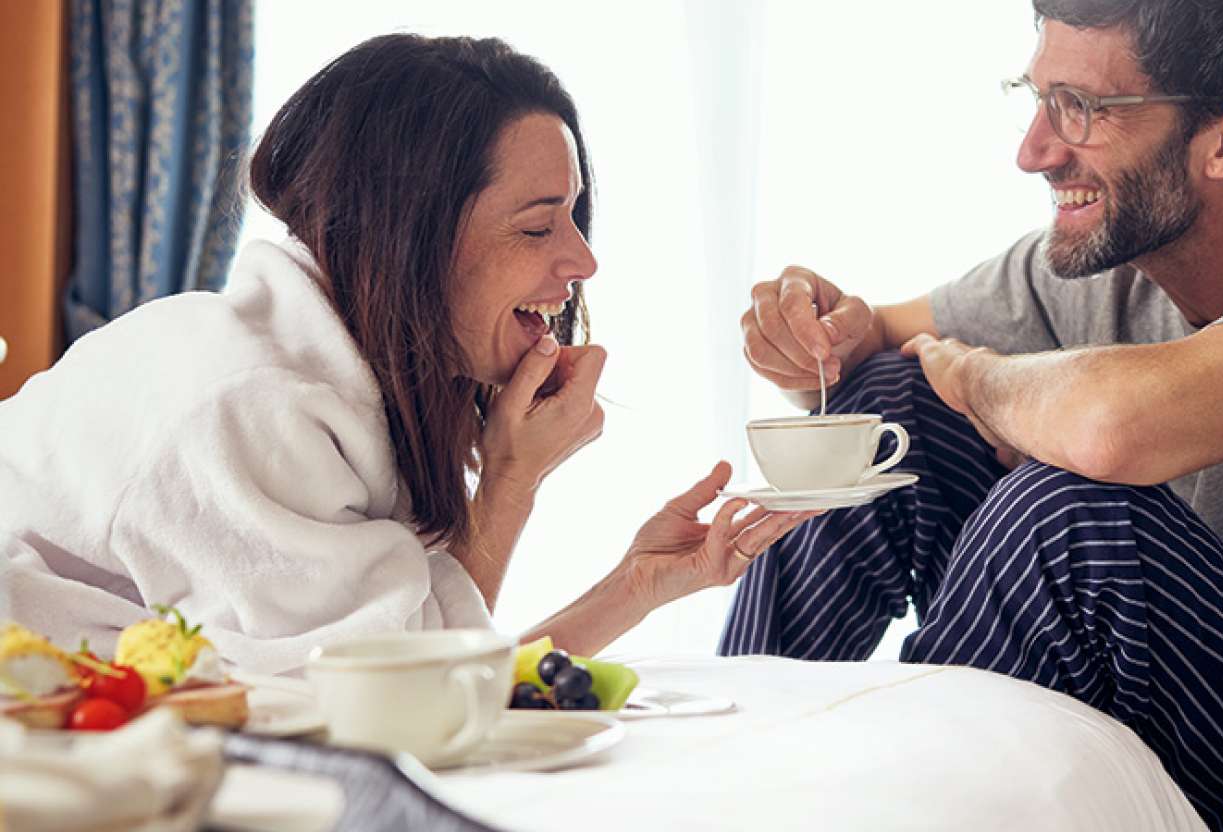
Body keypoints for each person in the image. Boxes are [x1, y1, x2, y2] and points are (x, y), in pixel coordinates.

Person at [722, 1, 1223, 830]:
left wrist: (981, 380)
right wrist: (819, 339)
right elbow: (881, 350)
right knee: (894, 403)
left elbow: (1112, 429)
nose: (1033, 152)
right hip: (1187, 706)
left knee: (1071, 514)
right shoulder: (1109, 260)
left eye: (1080, 110)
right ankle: (720, 773)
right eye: (1036, 97)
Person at [0, 34, 813, 673]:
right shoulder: (253, 404)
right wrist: (510, 479)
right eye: (537, 226)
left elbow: (427, 675)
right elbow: (390, 715)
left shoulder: (330, 382)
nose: (582, 261)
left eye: (572, 217)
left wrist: (640, 584)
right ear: (407, 234)